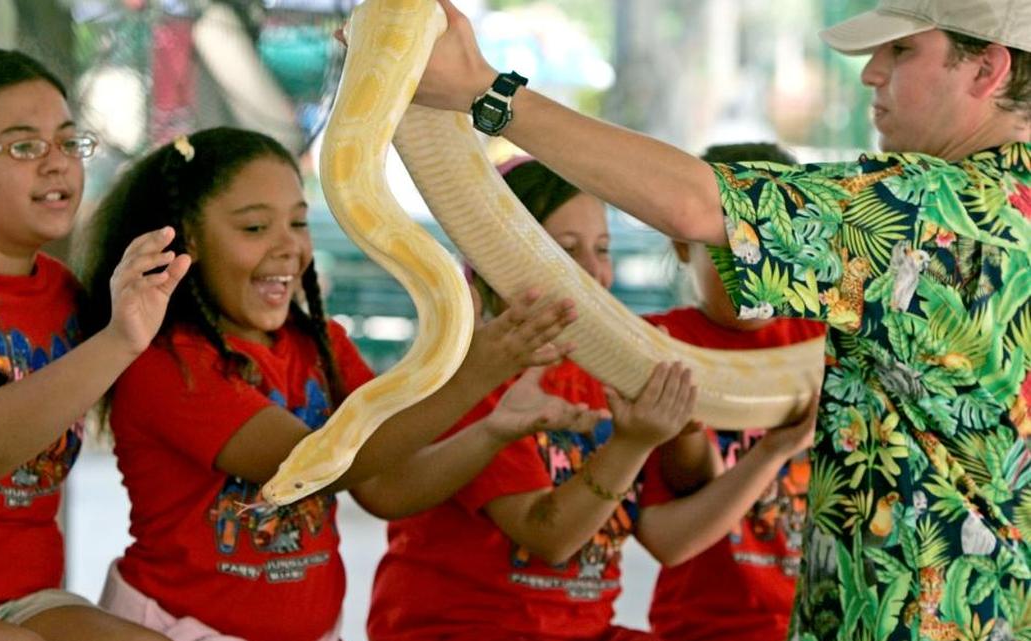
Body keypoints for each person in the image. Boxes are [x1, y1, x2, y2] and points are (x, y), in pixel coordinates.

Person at [410, 0, 1031, 638]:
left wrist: (485, 91)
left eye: (901, 51)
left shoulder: (930, 209)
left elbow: (698, 206)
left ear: (987, 69)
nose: (871, 73)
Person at [78, 127, 630, 641]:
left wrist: (492, 431)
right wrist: (475, 374)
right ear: (184, 240)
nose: (288, 246)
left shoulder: (320, 344)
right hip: (176, 627)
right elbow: (308, 465)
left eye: (297, 222)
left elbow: (386, 487)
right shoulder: (168, 363)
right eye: (253, 227)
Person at [0, 49, 187, 641]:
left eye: (68, 143)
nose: (57, 165)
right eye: (25, 147)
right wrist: (117, 340)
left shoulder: (66, 293)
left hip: (27, 597)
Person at [366, 157, 697, 641]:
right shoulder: (466, 374)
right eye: (565, 251)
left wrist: (690, 423)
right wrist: (633, 444)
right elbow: (550, 536)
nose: (593, 272)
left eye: (602, 249)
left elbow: (678, 519)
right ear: (499, 257)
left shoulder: (598, 372)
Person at [634, 143, 826, 641]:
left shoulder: (825, 340)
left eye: (774, 245)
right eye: (731, 250)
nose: (756, 273)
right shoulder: (653, 347)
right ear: (681, 244)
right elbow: (671, 530)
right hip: (705, 628)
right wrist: (774, 447)